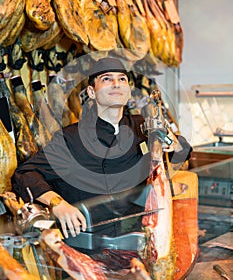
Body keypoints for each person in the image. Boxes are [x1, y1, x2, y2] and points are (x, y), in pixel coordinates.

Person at [11, 57, 192, 240]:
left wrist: (174, 143)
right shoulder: (71, 138)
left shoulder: (142, 126)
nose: (116, 84)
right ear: (91, 92)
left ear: (128, 91)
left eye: (122, 79)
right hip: (88, 243)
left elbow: (183, 153)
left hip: (140, 238)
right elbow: (25, 174)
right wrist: (58, 204)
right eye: (107, 79)